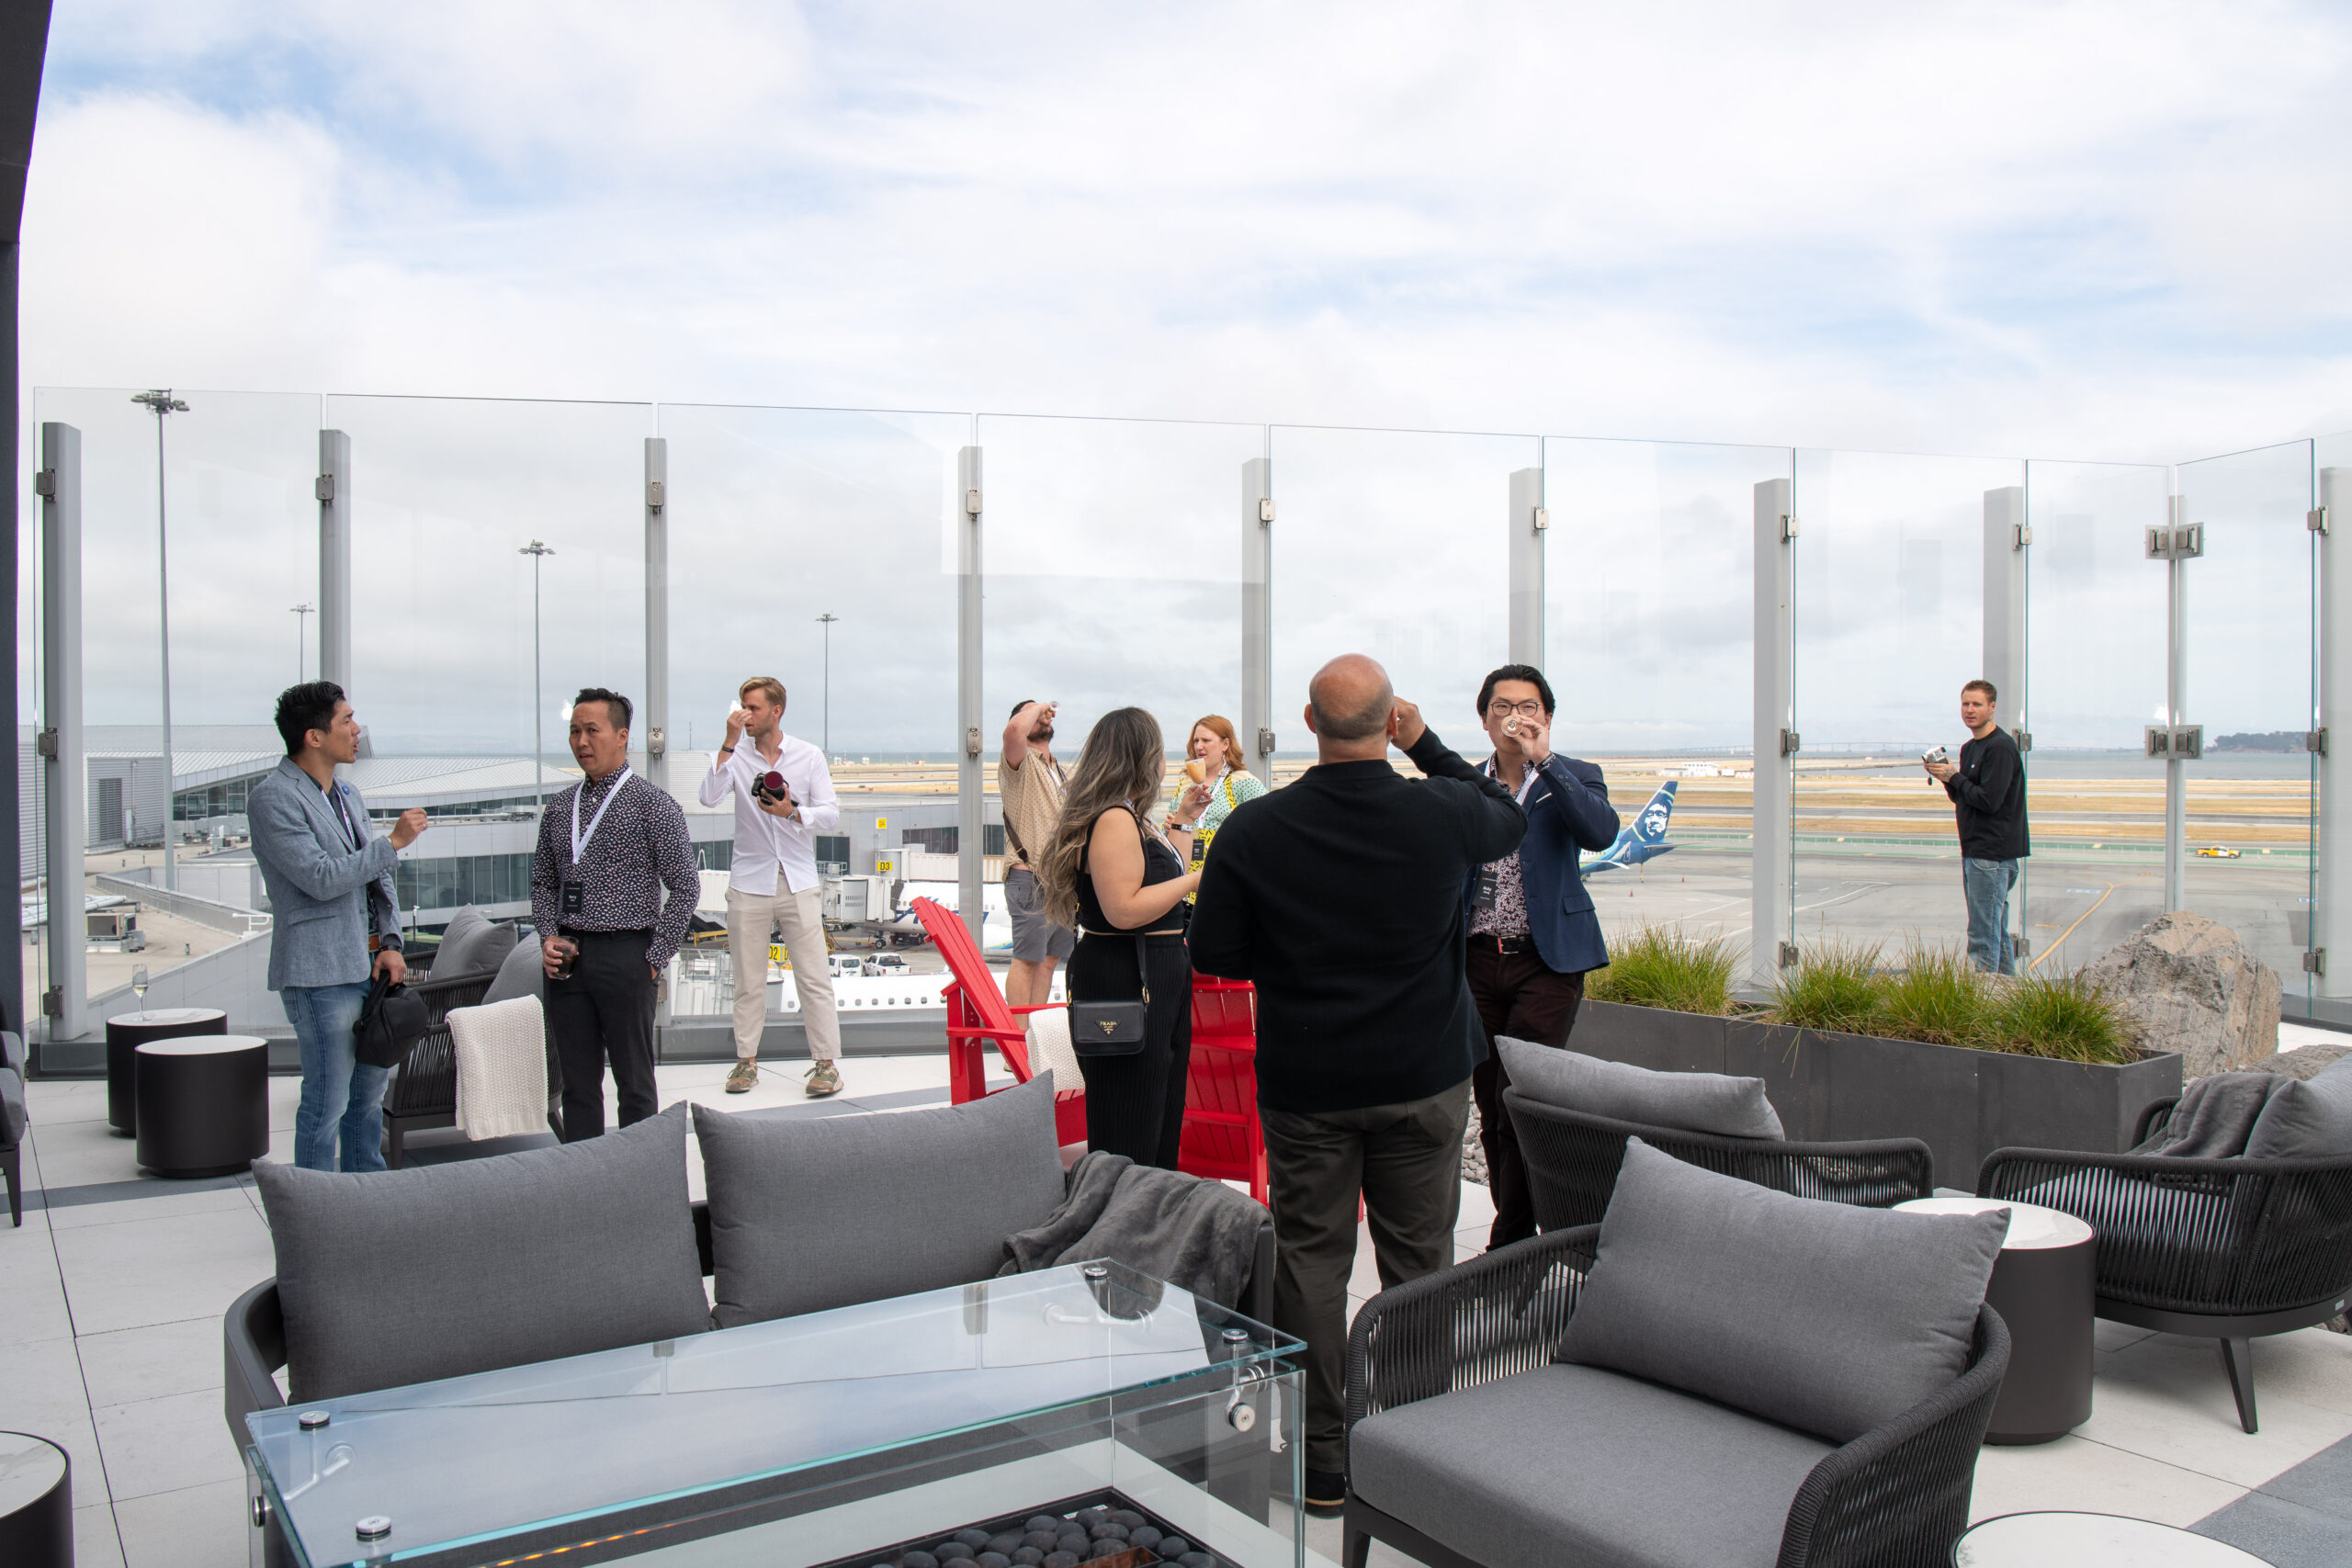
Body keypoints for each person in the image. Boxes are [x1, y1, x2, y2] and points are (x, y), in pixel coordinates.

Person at [1189, 653, 1524, 1517]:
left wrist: (1298, 963)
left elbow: (1216, 956)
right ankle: (1408, 1448)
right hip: (1423, 1075)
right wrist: (1429, 743)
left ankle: (1324, 1462)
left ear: (1308, 724)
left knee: (1313, 1265)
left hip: (1310, 1081)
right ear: (1389, 724)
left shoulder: (1257, 830)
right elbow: (1504, 813)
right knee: (1420, 1260)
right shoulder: (1442, 810)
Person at [1461, 663, 1621, 1249]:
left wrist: (1546, 762)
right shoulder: (1468, 784)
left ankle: (1509, 1243)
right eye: (1502, 707)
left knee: (1519, 1102)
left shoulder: (1574, 775)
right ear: (1484, 719)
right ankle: (1520, 1231)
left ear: (1546, 718)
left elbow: (1601, 832)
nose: (1514, 717)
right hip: (1476, 961)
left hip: (1547, 963)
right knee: (1489, 1100)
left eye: (1528, 707)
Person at [247, 682, 429, 1172]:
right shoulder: (273, 800)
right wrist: (392, 842)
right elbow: (321, 879)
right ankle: (312, 1216)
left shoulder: (348, 793)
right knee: (326, 1105)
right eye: (347, 720)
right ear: (313, 736)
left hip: (369, 966)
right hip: (318, 973)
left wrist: (391, 943)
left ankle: (362, 1204)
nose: (357, 729)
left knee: (367, 1099)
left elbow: (377, 877)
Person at [1037, 707, 1211, 1167]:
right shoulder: (1114, 818)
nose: (1164, 761)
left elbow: (1158, 877)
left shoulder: (1130, 815)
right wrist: (1200, 880)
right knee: (1131, 1123)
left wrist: (1186, 822)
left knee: (1155, 1113)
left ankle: (1143, 1220)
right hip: (1130, 975)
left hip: (1151, 973)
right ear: (1140, 757)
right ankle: (1121, 1223)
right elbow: (1125, 909)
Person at [530, 688, 698, 1139]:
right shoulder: (560, 808)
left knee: (635, 1085)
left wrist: (654, 956)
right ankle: (585, 1188)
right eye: (574, 731)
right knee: (577, 1087)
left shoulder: (653, 804)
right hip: (567, 958)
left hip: (628, 955)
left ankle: (641, 1187)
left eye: (592, 731)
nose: (581, 741)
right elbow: (544, 883)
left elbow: (685, 887)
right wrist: (548, 935)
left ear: (622, 736)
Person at [699, 677, 846, 1099]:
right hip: (749, 882)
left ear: (776, 710)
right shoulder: (734, 755)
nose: (745, 715)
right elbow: (708, 796)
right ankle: (745, 1062)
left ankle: (826, 1064)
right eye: (742, 706)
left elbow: (831, 814)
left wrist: (793, 812)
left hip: (798, 880)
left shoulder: (807, 755)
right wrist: (728, 743)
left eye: (754, 708)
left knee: (814, 977)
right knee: (748, 980)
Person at [1926, 679, 2030, 974]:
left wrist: (1954, 776)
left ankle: (1983, 1003)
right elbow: (1965, 798)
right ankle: (2008, 998)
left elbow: (1989, 800)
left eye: (1977, 704)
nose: (1970, 710)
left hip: (1993, 854)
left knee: (1982, 936)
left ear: (1992, 707)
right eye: (1965, 704)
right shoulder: (1970, 748)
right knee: (1994, 930)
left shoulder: (2000, 748)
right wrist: (1948, 778)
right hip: (1975, 850)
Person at [1000, 699, 1074, 1010]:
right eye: (1034, 714)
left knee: (1049, 960)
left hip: (1059, 881)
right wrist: (1039, 705)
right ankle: (1017, 1047)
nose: (1044, 717)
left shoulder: (1058, 768)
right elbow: (1015, 729)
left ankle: (1034, 1037)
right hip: (1029, 874)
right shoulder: (1019, 761)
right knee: (1027, 960)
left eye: (1045, 715)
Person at [1171, 715, 1267, 885]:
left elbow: (1267, 828)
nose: (1199, 746)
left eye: (1206, 740)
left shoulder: (1243, 782)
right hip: (1183, 878)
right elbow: (1170, 827)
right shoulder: (1186, 783)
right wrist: (1171, 826)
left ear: (1225, 744)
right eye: (1196, 741)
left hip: (1225, 877)